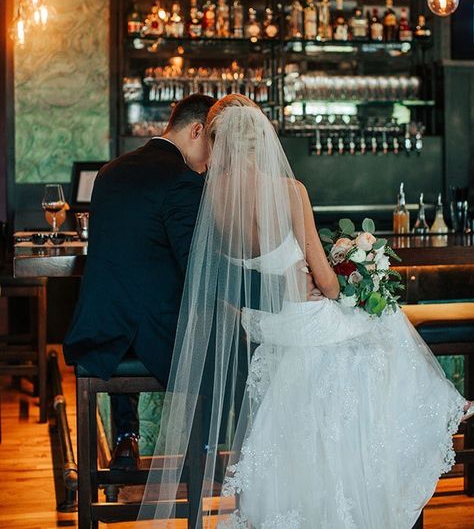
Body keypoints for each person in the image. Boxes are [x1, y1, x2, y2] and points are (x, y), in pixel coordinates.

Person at [140, 93, 473, 529]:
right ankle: (416, 431)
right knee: (383, 326)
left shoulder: (211, 202)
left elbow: (221, 277)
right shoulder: (289, 191)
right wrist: (344, 271)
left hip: (265, 327)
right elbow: (328, 283)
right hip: (301, 320)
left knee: (369, 332)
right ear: (261, 139)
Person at [63, 93, 215, 470]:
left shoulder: (111, 171)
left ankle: (125, 436)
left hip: (99, 327)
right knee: (237, 351)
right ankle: (214, 456)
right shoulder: (182, 180)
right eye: (213, 147)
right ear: (197, 131)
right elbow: (197, 266)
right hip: (151, 334)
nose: (211, 162)